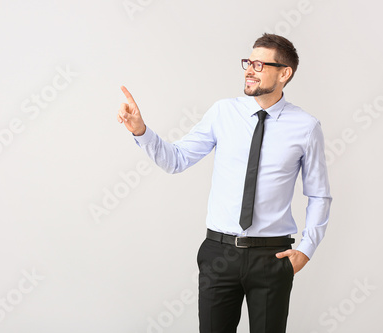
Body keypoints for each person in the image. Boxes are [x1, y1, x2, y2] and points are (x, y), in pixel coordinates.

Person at [116, 33, 332, 333]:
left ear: (284, 73)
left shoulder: (306, 126)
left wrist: (306, 249)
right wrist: (141, 131)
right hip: (219, 254)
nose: (249, 69)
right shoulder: (222, 113)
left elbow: (319, 195)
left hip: (272, 257)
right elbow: (176, 160)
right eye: (248, 62)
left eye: (260, 64)